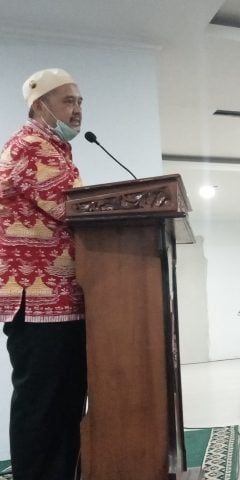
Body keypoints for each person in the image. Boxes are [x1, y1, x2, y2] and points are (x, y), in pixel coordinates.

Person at [0, 68, 87, 479]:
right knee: (43, 406)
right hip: (37, 303)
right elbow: (72, 208)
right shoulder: (31, 146)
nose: (78, 109)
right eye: (68, 100)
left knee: (63, 404)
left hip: (59, 300)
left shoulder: (54, 148)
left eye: (80, 101)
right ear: (40, 105)